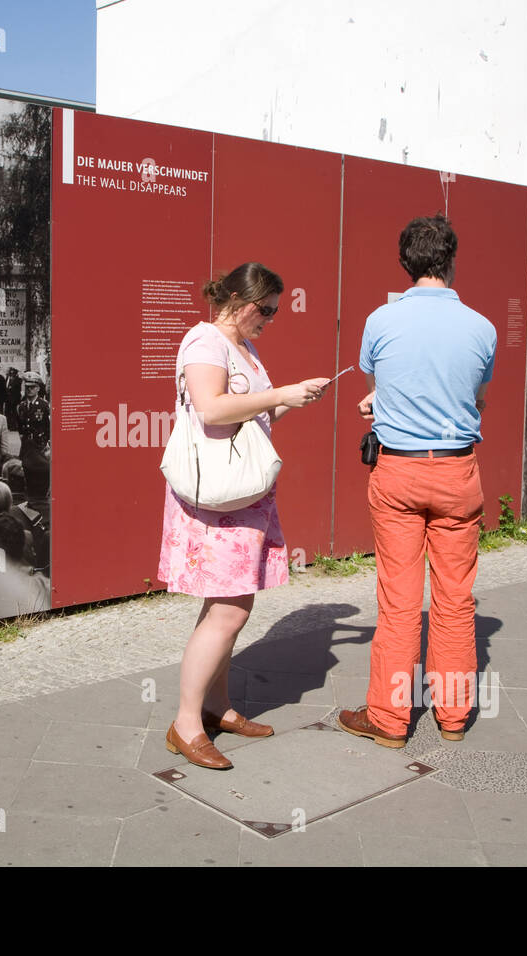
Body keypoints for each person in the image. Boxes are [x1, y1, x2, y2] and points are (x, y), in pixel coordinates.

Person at [159, 262, 327, 770]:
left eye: (275, 311)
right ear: (239, 298)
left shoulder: (241, 347)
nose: (271, 319)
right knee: (231, 611)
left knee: (227, 607)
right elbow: (210, 409)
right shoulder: (205, 341)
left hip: (241, 496)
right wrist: (278, 394)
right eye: (266, 309)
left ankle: (215, 706)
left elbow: (251, 415)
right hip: (218, 500)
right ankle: (185, 724)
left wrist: (291, 399)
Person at [338, 215, 496, 749]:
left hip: (399, 470)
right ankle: (452, 716)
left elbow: (384, 385)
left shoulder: (381, 321)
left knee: (400, 600)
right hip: (456, 470)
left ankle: (389, 718)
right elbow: (475, 401)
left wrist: (383, 405)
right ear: (450, 261)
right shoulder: (482, 327)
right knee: (455, 599)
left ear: (405, 265)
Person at [15, 371, 51, 457]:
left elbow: (49, 427)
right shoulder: (21, 406)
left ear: (38, 388)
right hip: (25, 447)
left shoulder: (44, 406)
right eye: (27, 387)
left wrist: (47, 443)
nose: (29, 389)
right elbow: (20, 426)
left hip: (40, 447)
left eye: (32, 387)